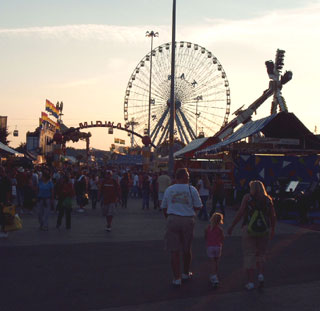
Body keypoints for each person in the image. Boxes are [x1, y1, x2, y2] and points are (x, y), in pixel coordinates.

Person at [227, 180, 276, 290]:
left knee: (250, 254)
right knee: (261, 254)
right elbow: (273, 215)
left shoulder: (247, 198)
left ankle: (250, 282)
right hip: (264, 229)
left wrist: (232, 226)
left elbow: (240, 213)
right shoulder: (268, 200)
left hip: (249, 228)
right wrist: (273, 229)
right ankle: (261, 275)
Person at [161, 168, 202, 287]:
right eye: (188, 176)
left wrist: (168, 217)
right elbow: (198, 206)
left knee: (174, 251)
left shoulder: (170, 190)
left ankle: (176, 278)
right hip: (187, 220)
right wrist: (190, 212)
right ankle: (185, 272)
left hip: (173, 218)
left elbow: (164, 206)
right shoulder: (192, 189)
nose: (189, 178)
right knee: (186, 248)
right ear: (184, 177)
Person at [204, 212, 224, 287]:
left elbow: (205, 237)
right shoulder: (220, 229)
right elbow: (222, 238)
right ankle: (215, 273)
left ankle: (213, 275)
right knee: (216, 261)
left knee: (212, 262)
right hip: (218, 246)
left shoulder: (208, 229)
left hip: (210, 246)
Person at [0, 166, 11, 238]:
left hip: (3, 200)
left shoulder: (6, 179)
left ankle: (5, 230)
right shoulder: (5, 179)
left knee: (4, 215)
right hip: (3, 199)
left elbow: (8, 191)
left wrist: (7, 200)